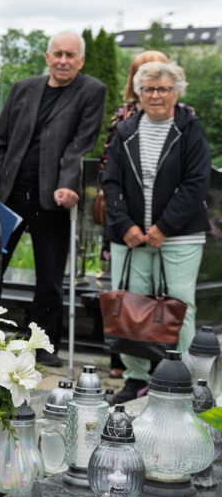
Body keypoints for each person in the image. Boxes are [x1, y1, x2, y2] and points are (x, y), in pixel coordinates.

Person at [0, 31, 107, 367]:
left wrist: (69, 185)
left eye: (71, 55)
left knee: (50, 276)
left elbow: (81, 143)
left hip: (53, 198)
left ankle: (42, 344)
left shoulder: (91, 91)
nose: (63, 61)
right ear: (48, 57)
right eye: (58, 54)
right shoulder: (22, 88)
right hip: (10, 194)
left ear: (81, 60)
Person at [103, 61, 211, 402]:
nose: (156, 95)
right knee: (131, 306)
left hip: (179, 235)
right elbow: (111, 182)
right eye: (148, 89)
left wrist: (164, 226)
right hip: (131, 238)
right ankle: (135, 378)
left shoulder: (190, 129)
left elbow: (196, 183)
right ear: (138, 93)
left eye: (164, 88)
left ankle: (187, 380)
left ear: (176, 92)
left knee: (180, 305)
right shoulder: (125, 130)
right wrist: (125, 225)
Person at [98, 50, 170, 380]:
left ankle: (161, 362)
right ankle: (123, 360)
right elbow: (108, 164)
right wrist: (123, 218)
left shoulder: (183, 114)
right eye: (143, 72)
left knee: (161, 291)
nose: (150, 80)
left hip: (165, 222)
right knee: (125, 290)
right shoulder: (123, 115)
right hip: (125, 216)